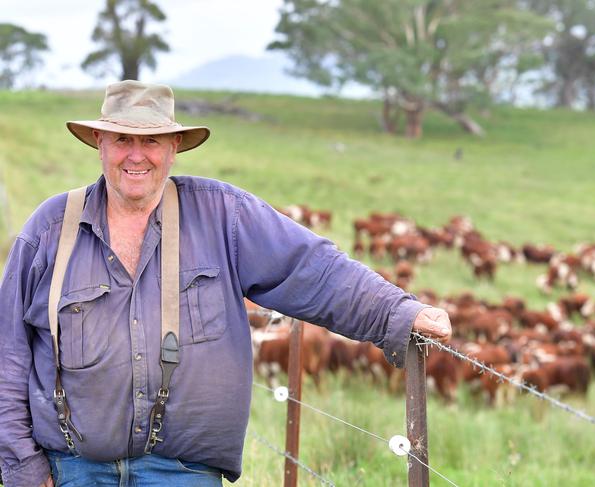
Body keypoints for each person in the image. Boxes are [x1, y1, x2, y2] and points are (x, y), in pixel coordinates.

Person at [0, 80, 452, 487]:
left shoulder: (224, 217)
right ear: (99, 141)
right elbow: (8, 353)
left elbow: (314, 269)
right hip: (74, 470)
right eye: (123, 139)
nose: (136, 155)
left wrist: (398, 311)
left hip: (183, 472)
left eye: (151, 141)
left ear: (174, 146)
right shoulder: (50, 229)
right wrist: (21, 464)